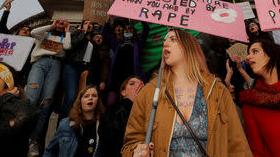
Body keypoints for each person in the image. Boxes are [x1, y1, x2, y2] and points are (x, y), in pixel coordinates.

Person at [122, 29, 251, 157]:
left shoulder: (217, 91)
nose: (165, 43)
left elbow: (237, 145)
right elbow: (130, 143)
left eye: (173, 39)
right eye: (164, 40)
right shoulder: (149, 92)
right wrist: (136, 152)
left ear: (188, 46)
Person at [26, 19, 72, 156]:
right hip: (40, 63)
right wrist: (51, 26)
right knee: (31, 99)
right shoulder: (44, 34)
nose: (61, 24)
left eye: (64, 23)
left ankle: (33, 141)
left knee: (45, 104)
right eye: (59, 22)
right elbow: (33, 32)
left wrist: (68, 31)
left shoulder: (64, 38)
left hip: (56, 65)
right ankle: (21, 134)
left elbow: (68, 47)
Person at [44, 85, 105, 157]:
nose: (90, 98)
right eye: (86, 96)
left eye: (94, 96)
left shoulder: (103, 125)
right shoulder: (66, 124)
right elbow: (50, 151)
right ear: (80, 101)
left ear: (98, 101)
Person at [103, 19, 150, 106]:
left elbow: (146, 30)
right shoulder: (118, 44)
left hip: (130, 77)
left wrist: (142, 19)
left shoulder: (137, 44)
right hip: (116, 78)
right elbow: (106, 34)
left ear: (134, 33)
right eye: (126, 30)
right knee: (111, 102)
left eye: (130, 29)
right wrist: (107, 21)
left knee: (130, 103)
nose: (127, 31)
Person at [98, 76, 144, 157]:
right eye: (132, 84)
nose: (137, 86)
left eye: (140, 84)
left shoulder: (150, 111)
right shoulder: (113, 112)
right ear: (123, 92)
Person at [58, 21, 95, 122]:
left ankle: (74, 123)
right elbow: (72, 46)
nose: (89, 24)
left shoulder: (92, 41)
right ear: (82, 26)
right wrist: (82, 32)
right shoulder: (76, 35)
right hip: (72, 66)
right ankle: (63, 125)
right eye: (86, 23)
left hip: (84, 70)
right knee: (71, 97)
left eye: (91, 23)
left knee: (80, 99)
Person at [0, 1, 33, 86]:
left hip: (20, 74)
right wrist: (7, 11)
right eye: (23, 29)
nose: (26, 30)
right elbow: (2, 26)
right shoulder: (12, 39)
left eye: (28, 31)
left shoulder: (32, 46)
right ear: (18, 33)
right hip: (5, 70)